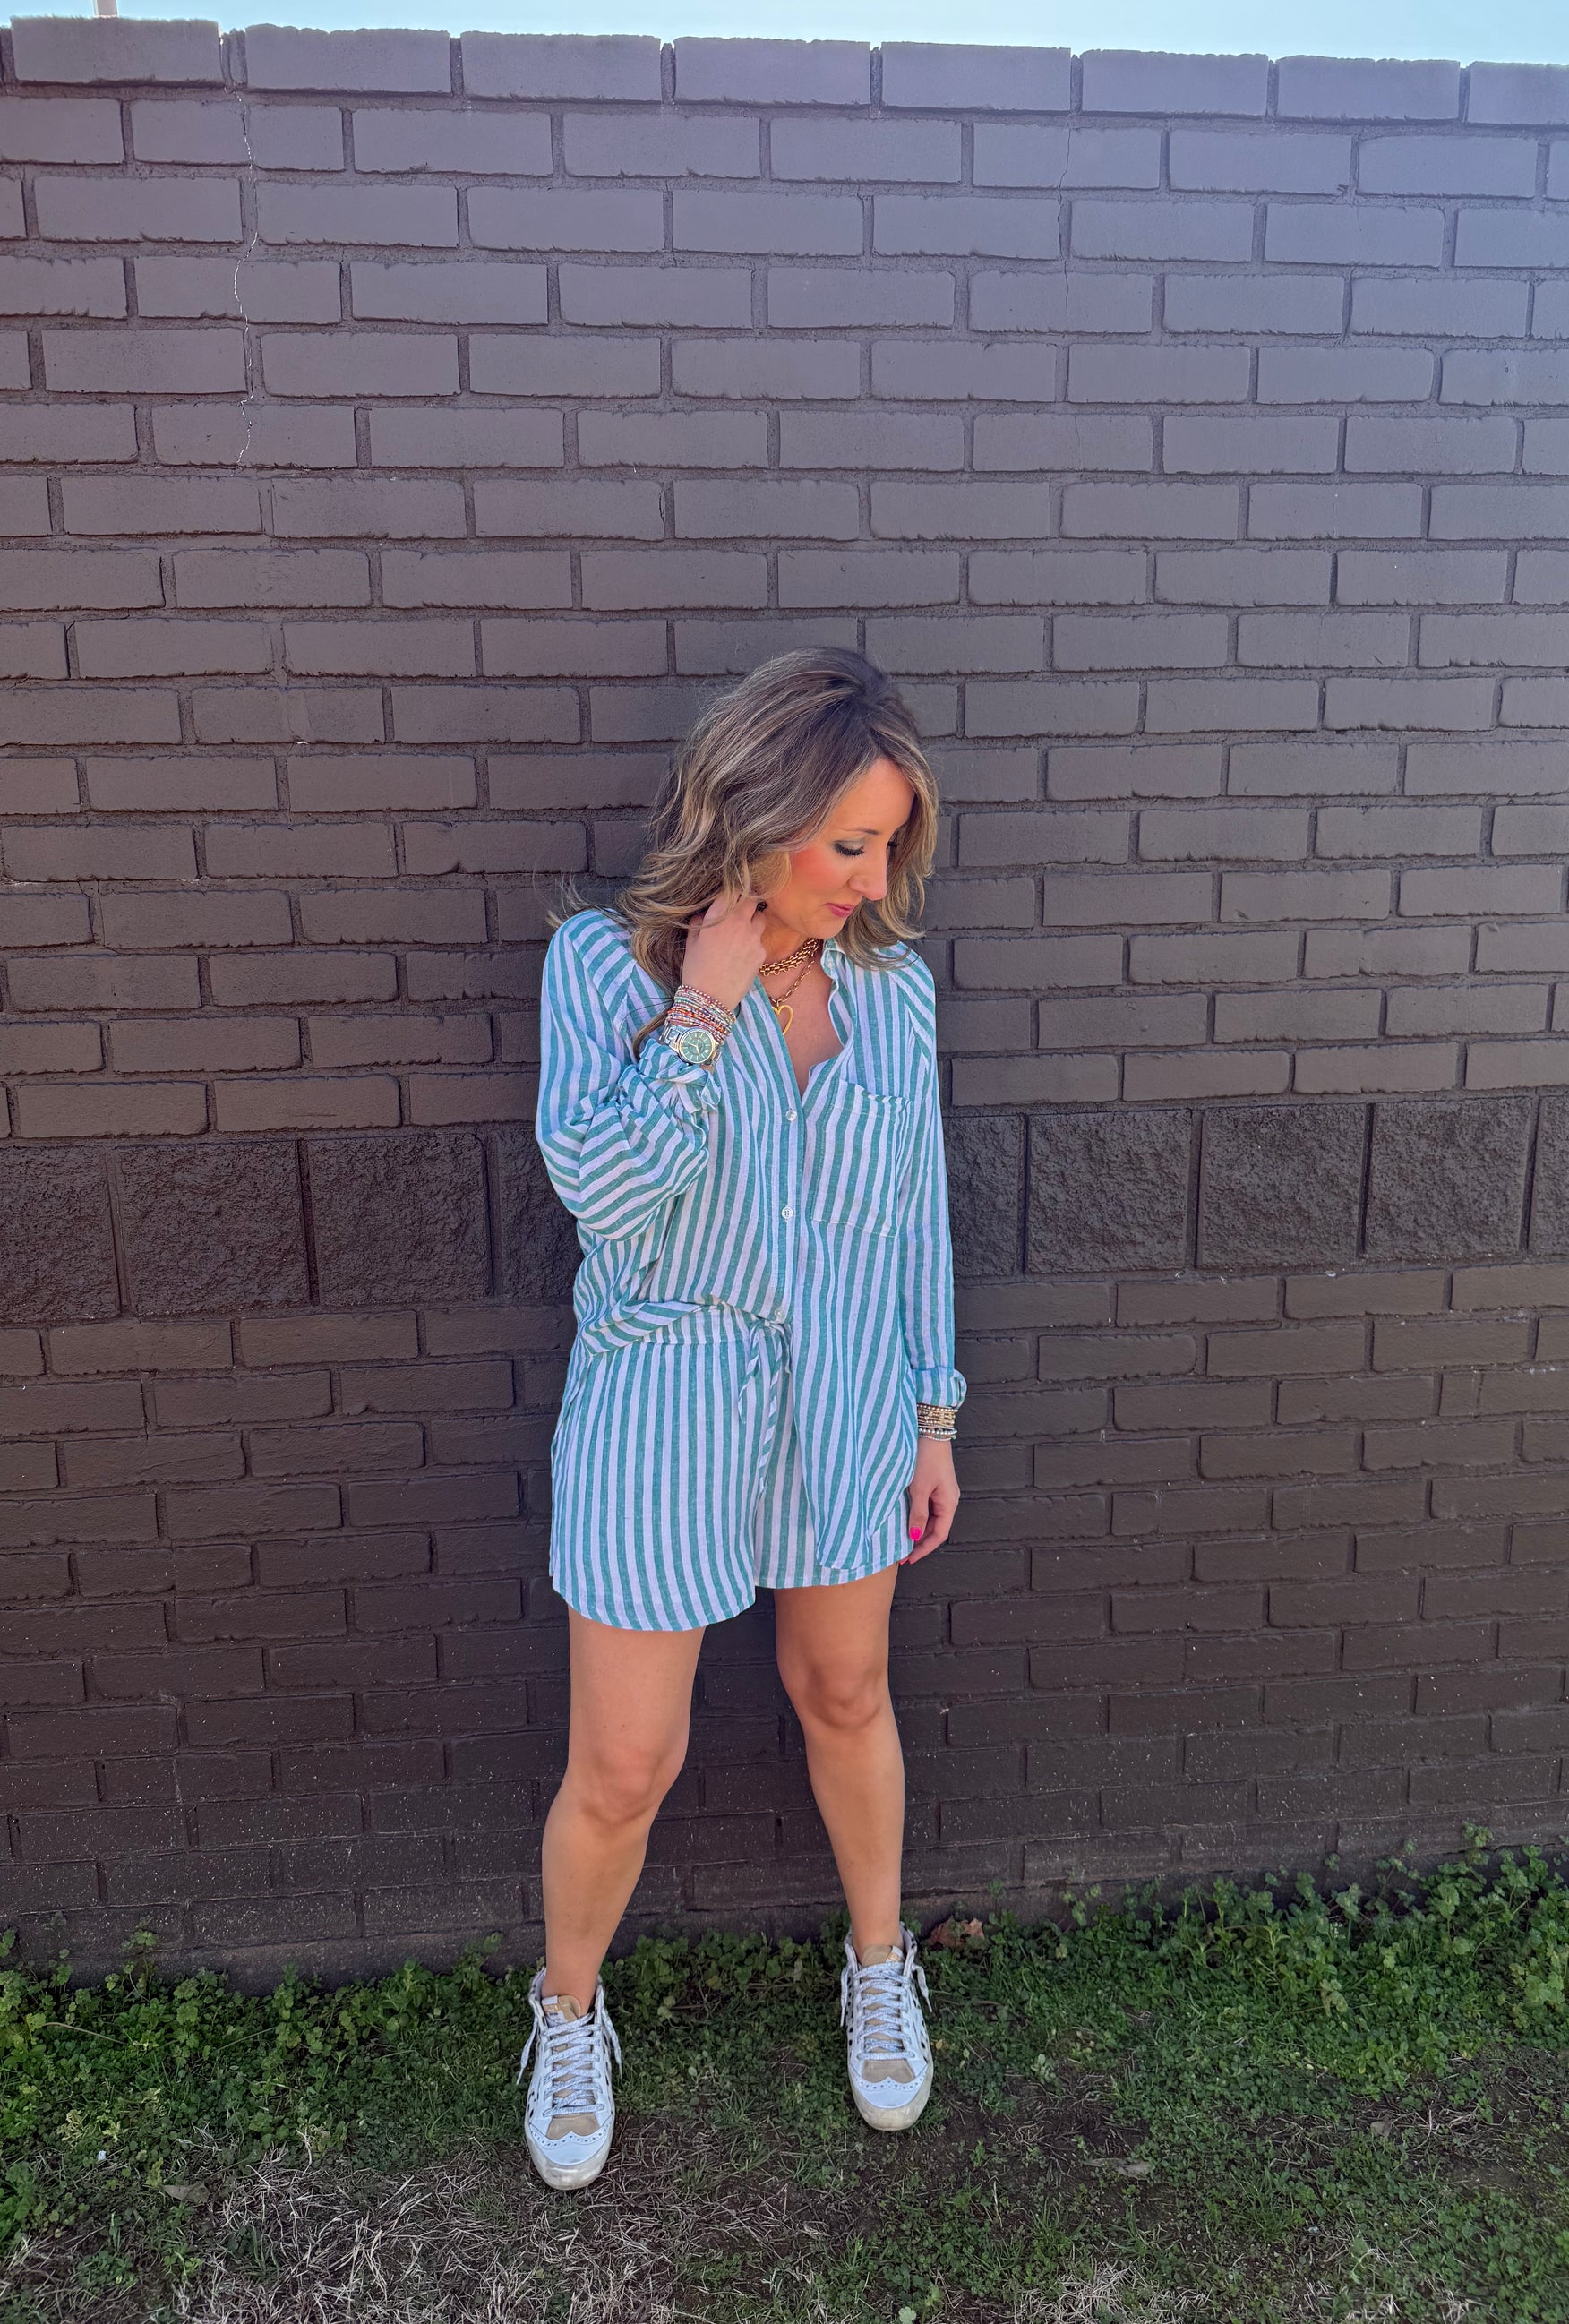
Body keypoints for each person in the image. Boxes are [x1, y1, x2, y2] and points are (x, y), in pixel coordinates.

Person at [517, 647, 965, 2190]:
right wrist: (702, 1013)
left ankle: (879, 1966)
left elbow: (913, 1222)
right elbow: (603, 1197)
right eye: (847, 841)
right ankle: (566, 2010)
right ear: (756, 810)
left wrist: (932, 1415)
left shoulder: (891, 995)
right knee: (623, 1764)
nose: (871, 878)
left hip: (847, 1405)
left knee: (846, 1693)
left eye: (887, 845)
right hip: (662, 1409)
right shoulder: (605, 969)